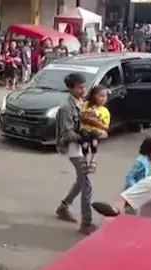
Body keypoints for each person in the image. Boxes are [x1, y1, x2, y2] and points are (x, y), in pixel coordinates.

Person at [55, 73, 95, 235]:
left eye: (84, 86)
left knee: (81, 180)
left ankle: (64, 207)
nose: (83, 90)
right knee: (86, 184)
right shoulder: (66, 108)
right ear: (70, 88)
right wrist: (84, 137)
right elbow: (66, 133)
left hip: (83, 147)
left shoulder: (83, 104)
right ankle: (86, 222)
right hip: (73, 148)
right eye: (79, 87)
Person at [79, 85, 110, 173]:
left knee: (94, 141)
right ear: (94, 96)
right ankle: (84, 159)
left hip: (96, 131)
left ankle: (93, 160)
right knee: (85, 140)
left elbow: (106, 126)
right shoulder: (86, 105)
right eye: (101, 96)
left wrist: (96, 121)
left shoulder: (105, 111)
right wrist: (89, 116)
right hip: (85, 129)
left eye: (105, 96)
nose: (103, 99)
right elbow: (83, 116)